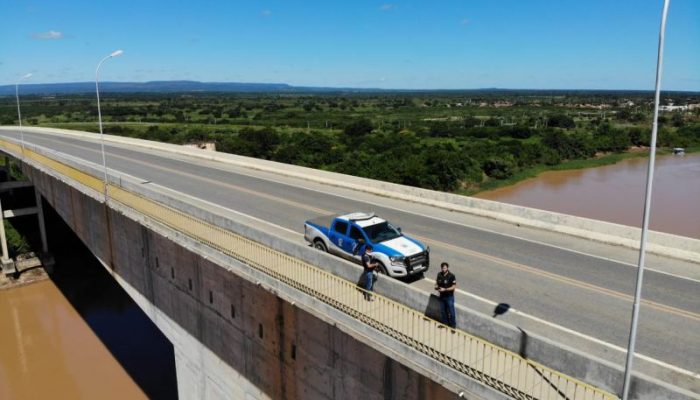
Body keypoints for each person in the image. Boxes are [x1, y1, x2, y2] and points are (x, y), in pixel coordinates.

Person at [434, 262, 457, 328]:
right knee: (443, 311)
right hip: (442, 296)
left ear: (447, 268)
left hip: (449, 297)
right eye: (442, 268)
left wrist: (445, 289)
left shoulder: (451, 276)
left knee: (451, 312)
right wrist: (436, 287)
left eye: (445, 268)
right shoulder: (439, 274)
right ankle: (445, 324)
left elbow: (454, 286)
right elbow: (436, 283)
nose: (443, 269)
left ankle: (453, 326)